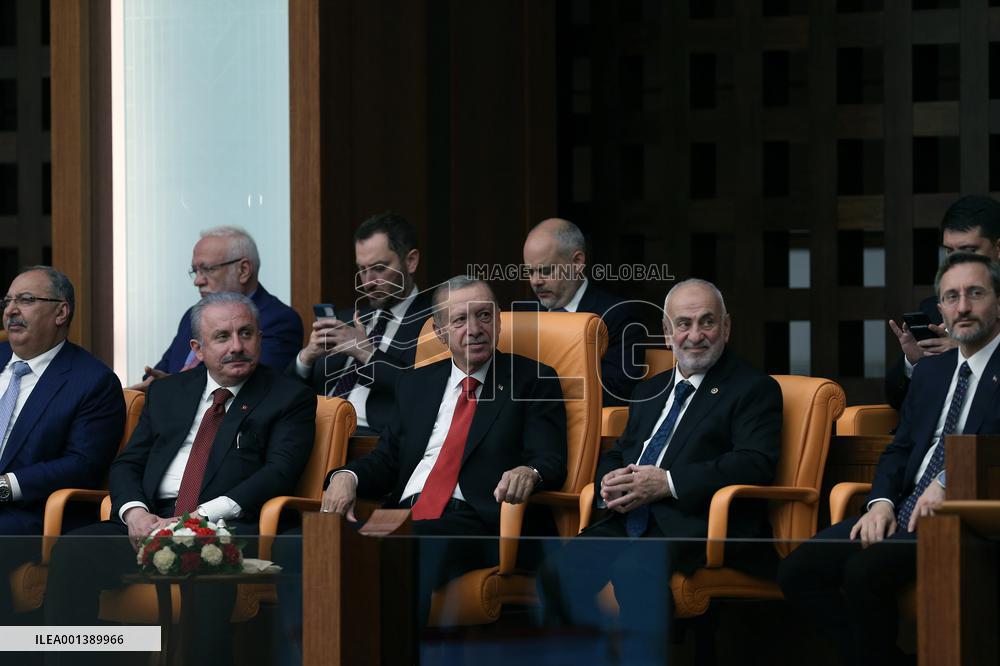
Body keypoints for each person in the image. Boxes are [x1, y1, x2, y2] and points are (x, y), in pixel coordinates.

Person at [45, 292, 316, 666]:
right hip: (152, 521)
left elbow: (279, 472)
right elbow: (127, 464)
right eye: (222, 337)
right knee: (74, 551)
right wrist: (136, 514)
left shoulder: (289, 397)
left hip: (224, 528)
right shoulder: (168, 392)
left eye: (246, 333)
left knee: (203, 571)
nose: (237, 346)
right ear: (198, 348)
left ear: (260, 338)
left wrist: (196, 520)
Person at [537, 278, 782, 663]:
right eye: (684, 324)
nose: (695, 335)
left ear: (727, 327)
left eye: (708, 322)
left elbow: (755, 461)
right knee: (556, 572)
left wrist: (667, 483)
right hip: (631, 519)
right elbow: (621, 452)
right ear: (668, 333)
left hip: (697, 523)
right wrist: (608, 479)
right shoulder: (648, 390)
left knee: (635, 569)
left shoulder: (753, 388)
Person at [779, 252, 1000, 666]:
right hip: (902, 507)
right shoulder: (933, 370)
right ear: (941, 308)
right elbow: (899, 448)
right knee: (798, 573)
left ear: (998, 301)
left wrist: (952, 481)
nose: (963, 307)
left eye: (975, 294)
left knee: (865, 572)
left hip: (968, 516)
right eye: (951, 297)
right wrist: (879, 503)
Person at [320, 276, 567, 624]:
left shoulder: (532, 379)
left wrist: (529, 472)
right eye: (460, 320)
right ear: (439, 332)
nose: (475, 329)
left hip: (480, 520)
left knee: (406, 547)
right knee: (311, 542)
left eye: (483, 316)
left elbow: (550, 459)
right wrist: (347, 476)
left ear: (498, 321)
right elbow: (387, 458)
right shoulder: (416, 382)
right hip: (404, 517)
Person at [0, 266, 125, 620]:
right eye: (8, 301)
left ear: (61, 312)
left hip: (31, 513)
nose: (11, 310)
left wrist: (5, 487)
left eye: (26, 300)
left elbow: (83, 463)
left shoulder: (92, 381)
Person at [289, 212, 434, 435]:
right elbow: (286, 396)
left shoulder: (436, 321)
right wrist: (306, 358)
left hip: (371, 441)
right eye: (362, 269)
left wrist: (366, 353)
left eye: (379, 268)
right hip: (313, 434)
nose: (367, 283)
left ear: (411, 261)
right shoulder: (348, 319)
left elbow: (425, 391)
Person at [131, 225, 303, 390]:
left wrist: (173, 385)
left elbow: (247, 384)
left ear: (243, 270)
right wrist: (157, 383)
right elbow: (158, 374)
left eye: (207, 269)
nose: (197, 281)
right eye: (195, 271)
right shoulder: (194, 315)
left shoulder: (279, 320)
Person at [885, 195, 1000, 410]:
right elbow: (896, 401)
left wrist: (967, 351)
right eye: (949, 252)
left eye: (969, 251)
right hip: (927, 440)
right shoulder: (934, 309)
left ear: (998, 249)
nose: (956, 262)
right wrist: (914, 363)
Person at [518, 218, 646, 406]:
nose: (536, 281)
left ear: (577, 262)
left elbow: (618, 390)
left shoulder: (618, 315)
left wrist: (540, 389)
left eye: (545, 270)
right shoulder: (523, 314)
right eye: (530, 272)